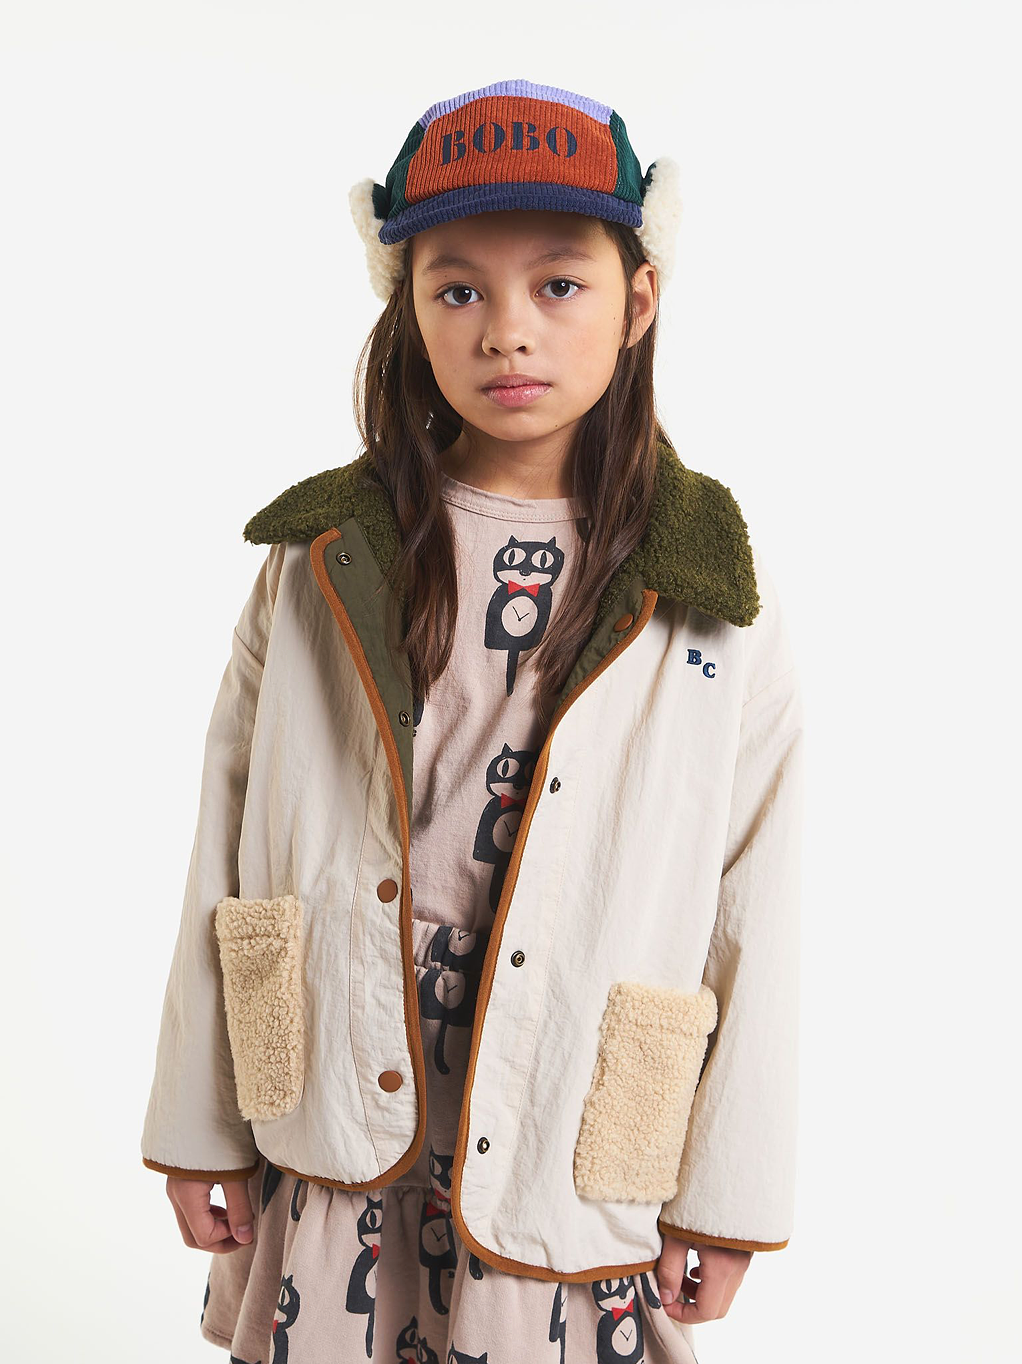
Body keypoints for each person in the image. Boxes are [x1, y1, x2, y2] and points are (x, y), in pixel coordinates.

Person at [140, 77, 805, 1363]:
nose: (507, 331)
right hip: (341, 1089)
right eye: (457, 291)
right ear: (405, 307)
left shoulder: (710, 587)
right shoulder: (321, 555)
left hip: (568, 1110)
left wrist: (727, 1194)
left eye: (557, 284)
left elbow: (755, 895)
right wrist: (196, 1119)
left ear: (638, 299)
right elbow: (224, 839)